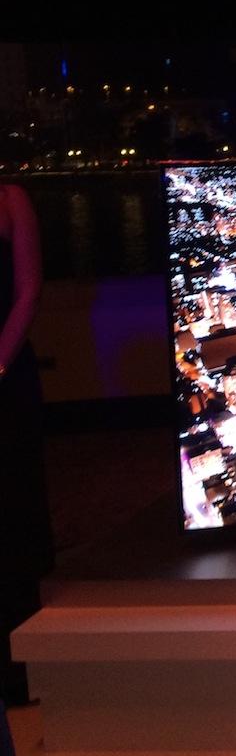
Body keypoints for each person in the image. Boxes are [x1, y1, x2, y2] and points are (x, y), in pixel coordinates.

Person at [1, 182, 51, 730]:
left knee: (12, 511)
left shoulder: (11, 199)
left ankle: (21, 666)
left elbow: (28, 291)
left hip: (8, 376)